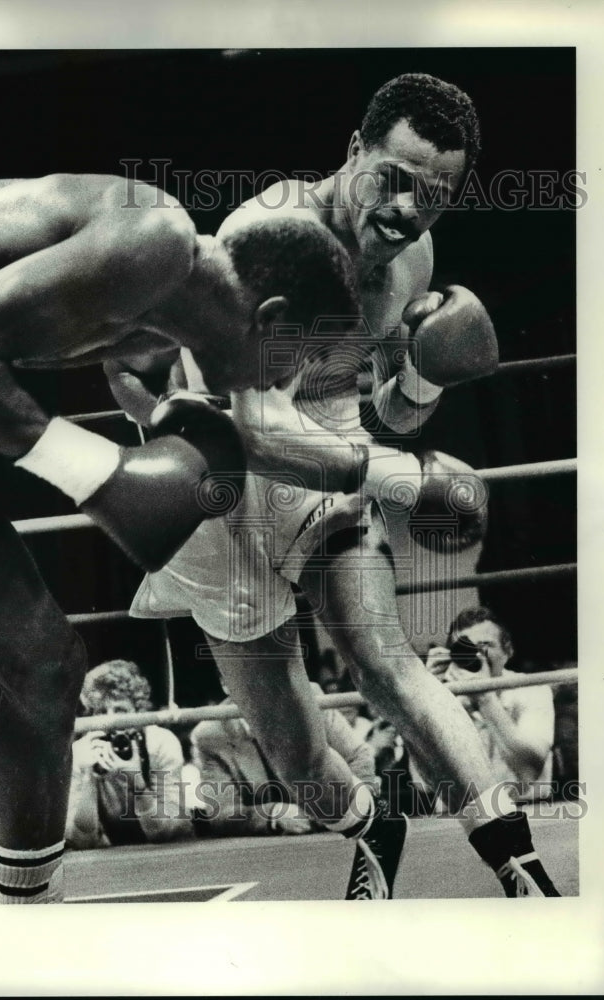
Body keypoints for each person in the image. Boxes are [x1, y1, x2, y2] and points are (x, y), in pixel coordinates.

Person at [129, 74, 561, 898]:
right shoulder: (268, 240)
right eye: (391, 180)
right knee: (295, 756)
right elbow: (258, 433)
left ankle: (520, 867)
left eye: (431, 196)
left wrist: (427, 382)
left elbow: (390, 417)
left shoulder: (412, 260)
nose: (405, 210)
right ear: (352, 152)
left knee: (381, 655)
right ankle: (371, 824)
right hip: (220, 464)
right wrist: (402, 482)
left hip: (326, 434)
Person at [0, 173, 360, 902]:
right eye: (300, 359)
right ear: (271, 316)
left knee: (44, 669)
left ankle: (33, 920)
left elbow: (280, 442)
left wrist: (366, 455)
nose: (286, 382)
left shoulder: (159, 320)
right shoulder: (152, 238)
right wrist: (102, 475)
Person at [191, 679, 377, 838]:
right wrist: (272, 814)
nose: (258, 684)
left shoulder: (308, 696)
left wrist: (349, 808)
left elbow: (359, 756)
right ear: (225, 684)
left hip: (340, 830)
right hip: (276, 846)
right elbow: (221, 813)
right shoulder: (210, 734)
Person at [423, 607, 555, 800]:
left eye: (484, 645)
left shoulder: (532, 688)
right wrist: (423, 695)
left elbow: (528, 771)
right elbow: (423, 783)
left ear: (508, 649)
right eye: (465, 648)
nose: (476, 655)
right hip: (463, 819)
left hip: (527, 811)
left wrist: (485, 697)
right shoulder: (441, 694)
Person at [65, 661, 192, 849]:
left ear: (138, 711)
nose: (110, 720)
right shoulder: (81, 751)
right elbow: (81, 841)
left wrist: (138, 784)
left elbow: (170, 831)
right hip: (111, 859)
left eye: (120, 710)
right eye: (101, 711)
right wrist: (88, 780)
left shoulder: (161, 743)